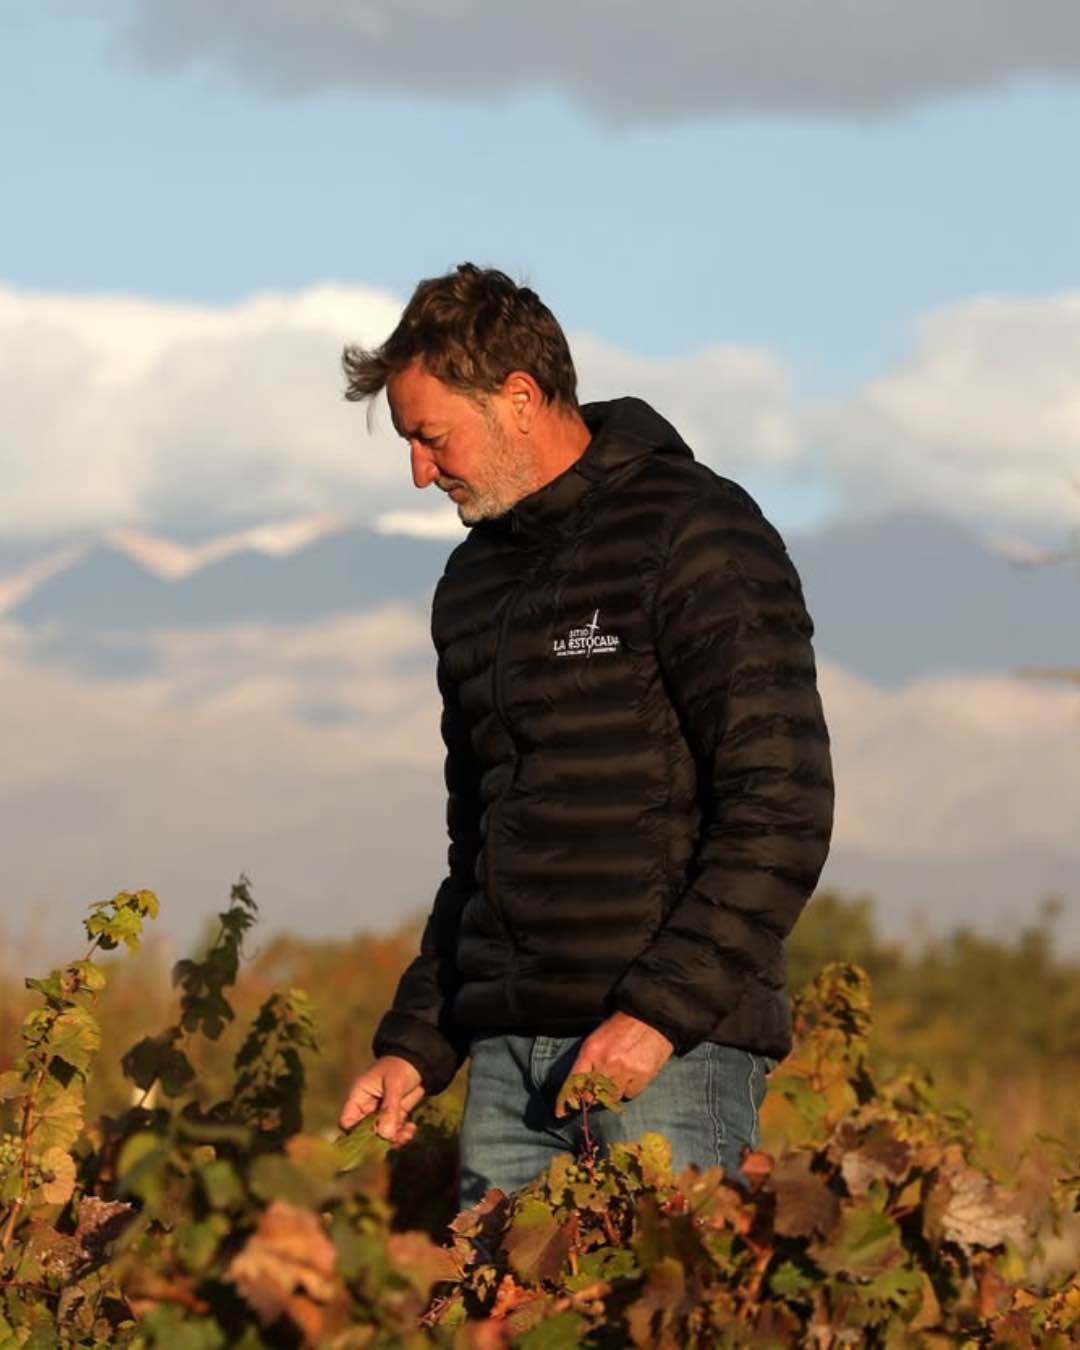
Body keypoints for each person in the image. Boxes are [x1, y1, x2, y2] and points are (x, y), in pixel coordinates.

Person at [338, 264, 834, 1208]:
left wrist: (656, 1018)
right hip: (504, 1072)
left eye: (431, 437)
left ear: (520, 399)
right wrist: (417, 1045)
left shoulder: (695, 530)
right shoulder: (473, 585)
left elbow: (782, 805)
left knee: (660, 1289)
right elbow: (480, 848)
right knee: (494, 1293)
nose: (419, 472)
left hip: (666, 1065)